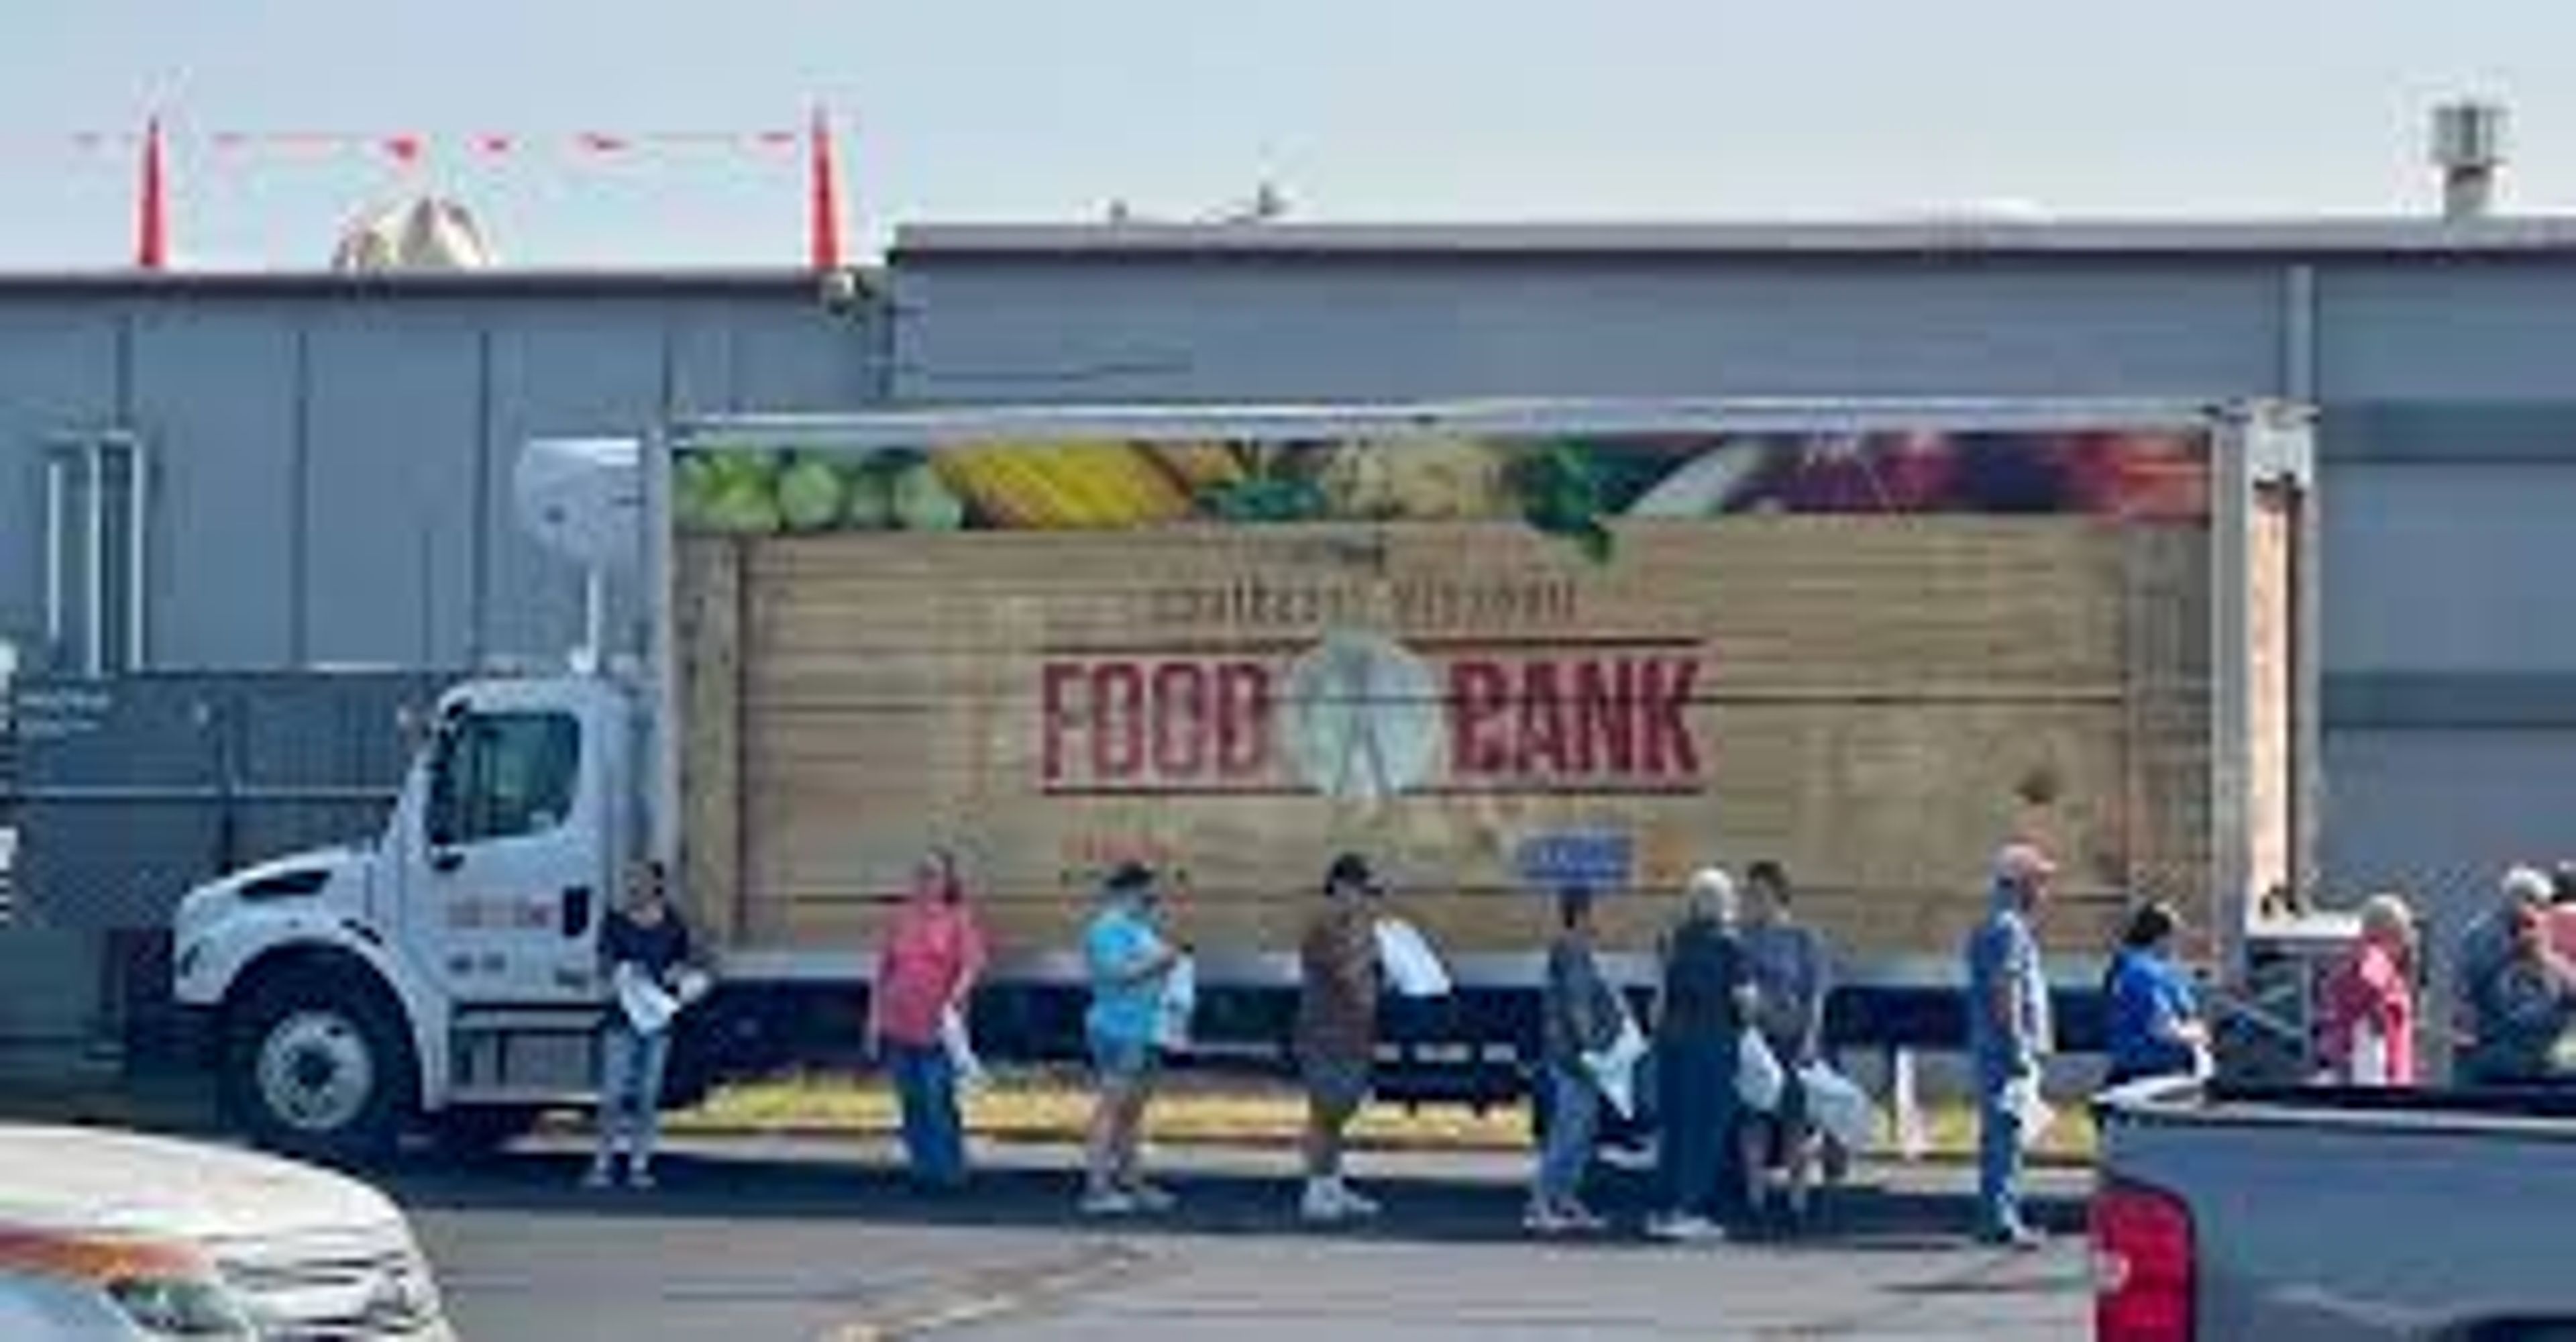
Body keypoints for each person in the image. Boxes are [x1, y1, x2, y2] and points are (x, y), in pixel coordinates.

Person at [867, 848, 990, 1190]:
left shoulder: (957, 919)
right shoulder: (901, 919)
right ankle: (922, 1170)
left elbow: (973, 964)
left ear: (948, 881)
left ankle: (951, 1172)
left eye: (933, 874)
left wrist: (956, 996)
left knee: (939, 1100)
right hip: (898, 1022)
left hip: (938, 1026)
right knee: (911, 1100)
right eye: (920, 873)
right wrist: (873, 1021)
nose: (924, 880)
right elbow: (883, 971)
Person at [1646, 868, 1751, 1243]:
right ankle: (1688, 1211)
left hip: (1673, 1045)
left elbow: (1657, 1001)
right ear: (1723, 903)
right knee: (1705, 1130)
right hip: (1712, 1046)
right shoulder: (1729, 944)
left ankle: (1662, 1210)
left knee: (1674, 1128)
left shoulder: (1673, 940)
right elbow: (1744, 1003)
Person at [1963, 842, 2056, 1249]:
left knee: (2003, 1133)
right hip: (2005, 1050)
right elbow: (2006, 991)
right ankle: (2001, 1220)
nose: (2045, 891)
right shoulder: (2009, 929)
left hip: (1995, 1046)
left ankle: (1999, 1214)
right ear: (2020, 884)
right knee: (2006, 1133)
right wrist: (2019, 1045)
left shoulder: (1997, 925)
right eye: (2040, 881)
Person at [1080, 860, 1185, 1215]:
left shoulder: (1134, 927)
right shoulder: (1107, 928)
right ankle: (1096, 1189)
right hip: (1117, 1028)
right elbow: (1115, 974)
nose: (1153, 902)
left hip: (1140, 1028)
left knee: (1130, 1113)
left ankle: (1131, 1182)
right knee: (1112, 1109)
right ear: (1129, 891)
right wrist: (1163, 963)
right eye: (1148, 894)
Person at [588, 858, 696, 1190]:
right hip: (621, 1017)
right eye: (631, 879)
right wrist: (623, 972)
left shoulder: (673, 923)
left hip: (656, 1020)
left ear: (657, 885)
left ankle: (639, 1163)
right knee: (613, 1096)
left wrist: (676, 975)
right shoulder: (615, 921)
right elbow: (604, 964)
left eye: (642, 879)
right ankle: (603, 1163)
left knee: (648, 1096)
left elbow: (683, 962)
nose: (634, 885)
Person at [1737, 860, 1831, 1231]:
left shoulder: (1805, 939)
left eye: (1759, 894)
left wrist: (1811, 1039)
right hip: (1757, 1043)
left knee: (1796, 1123)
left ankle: (1798, 1202)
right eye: (1749, 894)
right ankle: (1755, 1200)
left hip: (1793, 1040)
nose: (1752, 901)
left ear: (1779, 895)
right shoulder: (1744, 939)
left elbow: (1816, 994)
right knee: (1754, 1120)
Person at [1296, 852, 1387, 1223]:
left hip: (1351, 1033)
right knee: (1324, 1113)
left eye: (1366, 893)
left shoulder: (1351, 928)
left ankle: (1332, 1184)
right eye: (1360, 891)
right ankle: (1316, 1190)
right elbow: (1350, 975)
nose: (1364, 900)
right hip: (1325, 1034)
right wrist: (1369, 948)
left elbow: (1368, 979)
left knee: (1339, 1112)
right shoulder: (1325, 928)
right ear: (1340, 887)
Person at [1528, 884, 1621, 1235]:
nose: (1602, 920)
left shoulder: (1574, 949)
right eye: (1597, 912)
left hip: (1575, 1056)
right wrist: (1590, 1049)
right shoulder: (1572, 951)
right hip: (1574, 1057)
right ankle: (1541, 1201)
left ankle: (1565, 1198)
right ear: (1583, 915)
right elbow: (1577, 1005)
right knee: (1569, 1131)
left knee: (1582, 1131)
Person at [2456, 872, 2576, 1086]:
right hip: (2500, 1063)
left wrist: (2546, 961)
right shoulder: (2482, 940)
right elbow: (2472, 996)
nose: (2545, 914)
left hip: (2541, 1064)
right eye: (2541, 907)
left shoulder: (2553, 940)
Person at [2102, 901, 2208, 1087]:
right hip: (2149, 1076)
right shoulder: (2143, 973)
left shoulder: (2139, 967)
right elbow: (2163, 1029)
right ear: (2162, 938)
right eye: (2177, 938)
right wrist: (2200, 1034)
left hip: (2141, 1070)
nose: (2179, 946)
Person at [2321, 892, 2419, 1087]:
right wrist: (2378, 1008)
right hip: (2382, 1085)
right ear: (2392, 933)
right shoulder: (2376, 959)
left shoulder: (2354, 964)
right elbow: (2369, 986)